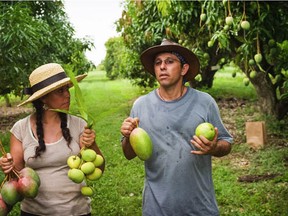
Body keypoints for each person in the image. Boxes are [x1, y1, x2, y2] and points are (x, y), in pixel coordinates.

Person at [120, 39, 233, 216]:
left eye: (170, 61)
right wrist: (128, 135)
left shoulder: (205, 102)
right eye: (158, 63)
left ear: (184, 69)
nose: (162, 67)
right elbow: (128, 154)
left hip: (199, 207)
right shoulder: (141, 106)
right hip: (156, 208)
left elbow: (226, 143)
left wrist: (214, 147)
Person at [0, 63, 105, 216]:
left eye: (67, 88)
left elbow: (99, 169)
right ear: (43, 97)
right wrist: (8, 167)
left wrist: (91, 144)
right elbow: (17, 179)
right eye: (60, 91)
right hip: (33, 212)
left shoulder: (79, 124)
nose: (67, 94)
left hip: (76, 211)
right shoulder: (20, 129)